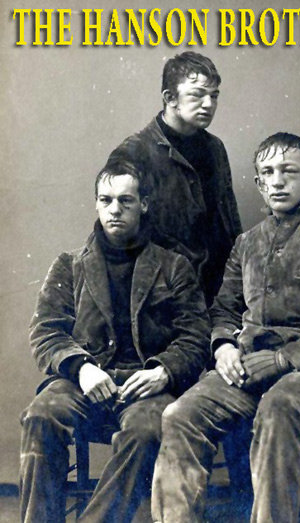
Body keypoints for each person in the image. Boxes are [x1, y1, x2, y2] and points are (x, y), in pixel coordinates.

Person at [151, 132, 300, 523]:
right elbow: (224, 309)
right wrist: (223, 346)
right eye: (268, 173)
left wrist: (283, 359)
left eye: (289, 171)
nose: (278, 181)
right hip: (249, 370)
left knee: (280, 406)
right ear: (258, 183)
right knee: (179, 415)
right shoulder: (247, 244)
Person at [20, 156, 210, 523]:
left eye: (125, 200)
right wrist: (82, 368)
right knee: (40, 415)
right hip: (84, 381)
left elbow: (196, 336)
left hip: (147, 387)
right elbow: (45, 331)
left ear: (144, 204)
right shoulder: (69, 265)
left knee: (148, 431)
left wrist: (164, 372)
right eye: (106, 200)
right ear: (96, 204)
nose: (115, 209)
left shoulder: (174, 266)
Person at [107, 51, 242, 305]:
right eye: (197, 94)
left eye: (214, 96)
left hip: (218, 293)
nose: (208, 104)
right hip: (163, 296)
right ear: (170, 98)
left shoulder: (215, 148)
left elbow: (230, 222)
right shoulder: (133, 153)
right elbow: (120, 236)